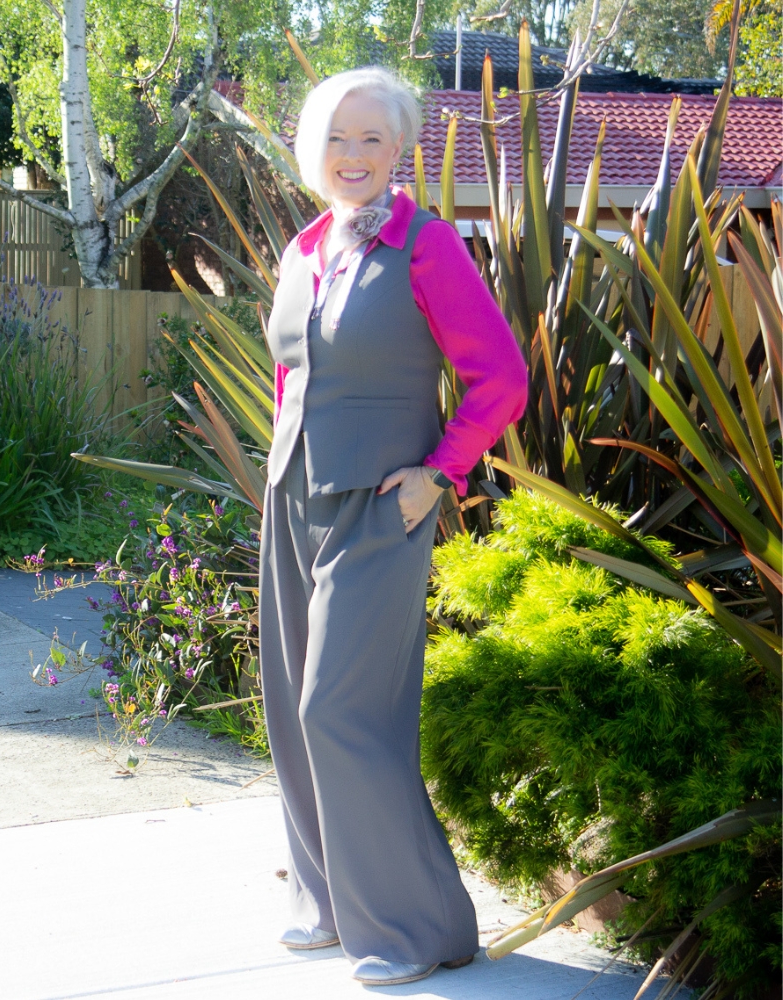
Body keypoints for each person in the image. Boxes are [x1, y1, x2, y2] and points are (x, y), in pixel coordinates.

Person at [259, 65, 528, 987]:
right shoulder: (303, 250)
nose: (355, 155)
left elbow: (501, 377)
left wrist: (439, 475)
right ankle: (330, 903)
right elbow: (299, 374)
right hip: (293, 497)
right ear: (313, 148)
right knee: (290, 712)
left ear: (400, 149)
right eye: (339, 137)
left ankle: (416, 929)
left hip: (382, 508)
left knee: (340, 709)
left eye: (374, 139)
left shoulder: (426, 245)